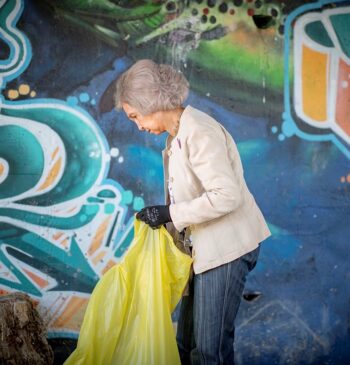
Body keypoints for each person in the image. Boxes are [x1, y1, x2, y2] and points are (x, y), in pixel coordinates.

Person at [114, 59, 271, 365]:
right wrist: (165, 217)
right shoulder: (178, 135)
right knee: (185, 344)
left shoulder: (198, 131)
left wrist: (170, 212)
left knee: (208, 350)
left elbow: (227, 196)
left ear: (150, 103)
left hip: (227, 248)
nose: (138, 126)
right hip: (203, 250)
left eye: (135, 116)